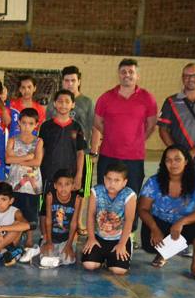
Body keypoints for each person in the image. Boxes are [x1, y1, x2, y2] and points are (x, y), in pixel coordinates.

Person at [94, 58, 157, 237]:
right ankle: (103, 229)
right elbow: (97, 122)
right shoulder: (106, 97)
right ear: (118, 75)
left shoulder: (147, 98)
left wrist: (137, 141)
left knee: (132, 194)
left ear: (137, 75)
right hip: (108, 154)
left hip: (135, 157)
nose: (127, 75)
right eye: (123, 72)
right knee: (105, 193)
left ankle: (128, 233)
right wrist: (112, 138)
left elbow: (152, 124)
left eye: (131, 72)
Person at [138, 145, 195, 282]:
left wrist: (181, 222)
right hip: (161, 223)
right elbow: (142, 209)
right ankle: (161, 254)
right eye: (168, 160)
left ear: (186, 160)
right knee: (148, 244)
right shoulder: (154, 181)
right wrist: (154, 228)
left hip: (186, 225)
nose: (173, 163)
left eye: (177, 159)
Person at [45, 67, 100, 224]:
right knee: (58, 186)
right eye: (67, 81)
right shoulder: (52, 104)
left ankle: (79, 221)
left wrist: (93, 153)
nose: (70, 84)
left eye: (73, 80)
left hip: (83, 153)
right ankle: (57, 219)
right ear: (62, 82)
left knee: (81, 189)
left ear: (79, 82)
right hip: (59, 154)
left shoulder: (88, 103)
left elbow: (95, 129)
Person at [38, 90, 86, 245]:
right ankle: (45, 238)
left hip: (70, 177)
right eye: (60, 101)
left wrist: (78, 177)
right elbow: (41, 151)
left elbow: (80, 154)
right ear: (54, 104)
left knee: (69, 207)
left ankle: (68, 240)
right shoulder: (46, 126)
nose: (63, 104)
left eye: (67, 101)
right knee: (46, 208)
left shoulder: (77, 127)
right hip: (49, 175)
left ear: (72, 104)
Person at [82, 162, 136, 275]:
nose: (112, 183)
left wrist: (122, 244)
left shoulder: (129, 195)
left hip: (118, 238)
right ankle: (102, 258)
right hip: (99, 236)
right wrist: (91, 238)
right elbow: (91, 215)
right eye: (109, 179)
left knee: (118, 270)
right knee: (89, 265)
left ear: (124, 182)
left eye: (117, 180)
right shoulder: (96, 191)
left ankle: (112, 259)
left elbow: (129, 220)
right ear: (104, 179)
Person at [5, 108, 44, 248]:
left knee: (31, 213)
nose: (27, 127)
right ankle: (15, 235)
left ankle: (29, 240)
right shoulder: (12, 140)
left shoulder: (39, 141)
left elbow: (37, 162)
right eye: (24, 123)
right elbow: (8, 159)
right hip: (15, 184)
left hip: (32, 187)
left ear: (36, 125)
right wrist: (27, 157)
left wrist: (17, 159)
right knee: (14, 212)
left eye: (30, 123)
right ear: (19, 123)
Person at [40, 169, 83, 266]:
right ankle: (55, 256)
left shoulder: (76, 199)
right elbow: (48, 220)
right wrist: (49, 241)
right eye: (60, 184)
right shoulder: (50, 196)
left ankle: (58, 257)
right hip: (51, 236)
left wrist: (69, 245)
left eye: (67, 184)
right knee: (45, 256)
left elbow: (73, 223)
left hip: (67, 238)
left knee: (68, 260)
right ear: (55, 186)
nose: (63, 188)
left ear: (72, 186)